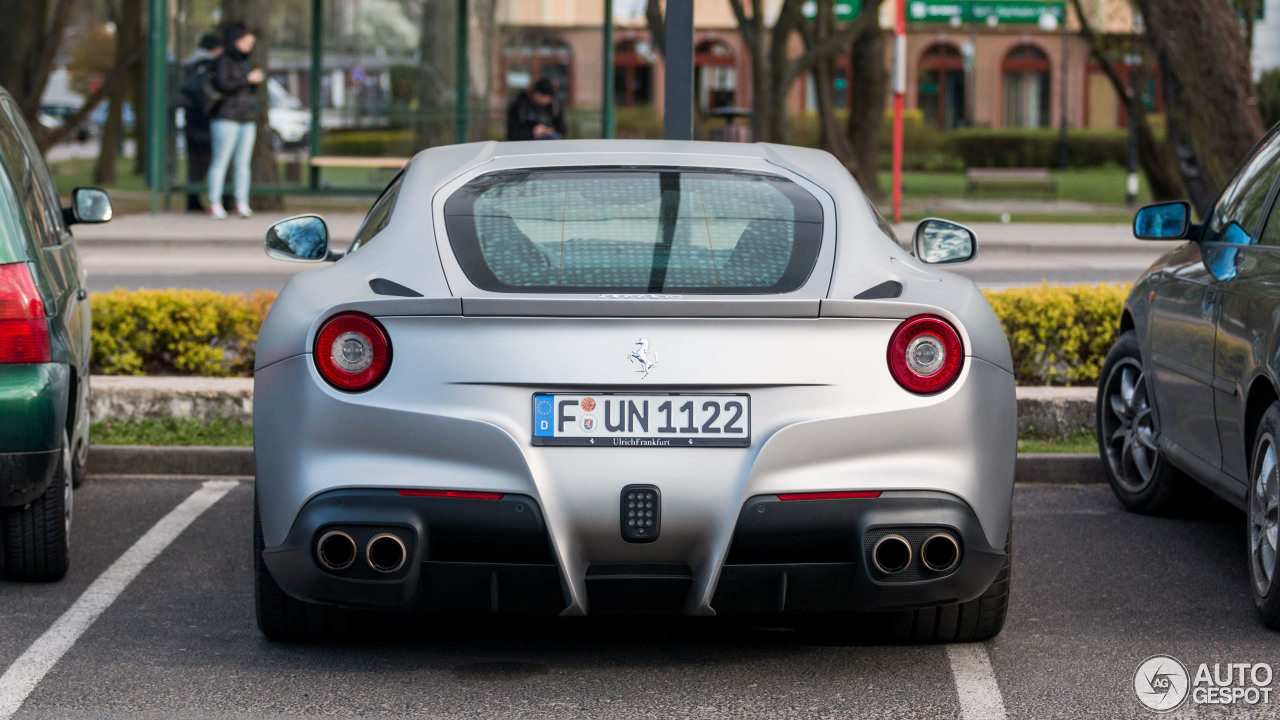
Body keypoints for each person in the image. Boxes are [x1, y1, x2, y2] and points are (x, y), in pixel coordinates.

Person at [206, 22, 264, 219]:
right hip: (226, 116)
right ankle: (215, 202)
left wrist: (252, 81)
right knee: (221, 160)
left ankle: (241, 202)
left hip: (246, 117)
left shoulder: (244, 62)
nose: (250, 45)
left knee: (242, 163)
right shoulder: (224, 60)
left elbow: (247, 91)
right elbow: (224, 84)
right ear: (236, 40)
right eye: (247, 41)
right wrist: (247, 79)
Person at [181, 33, 223, 212]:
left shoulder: (189, 65)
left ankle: (193, 201)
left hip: (192, 121)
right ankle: (223, 199)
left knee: (195, 164)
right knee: (217, 161)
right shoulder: (212, 66)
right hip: (209, 121)